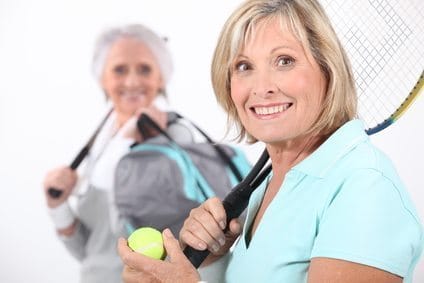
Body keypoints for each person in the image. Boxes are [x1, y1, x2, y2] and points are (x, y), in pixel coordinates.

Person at [117, 0, 424, 282]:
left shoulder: (366, 187)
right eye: (244, 66)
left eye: (284, 61)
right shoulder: (271, 184)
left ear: (327, 70)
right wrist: (212, 261)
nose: (261, 88)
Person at [43, 24, 192, 283]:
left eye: (144, 69)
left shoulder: (177, 137)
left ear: (161, 77)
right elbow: (93, 250)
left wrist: (147, 142)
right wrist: (58, 207)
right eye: (119, 70)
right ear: (103, 78)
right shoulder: (102, 144)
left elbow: (183, 243)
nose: (132, 81)